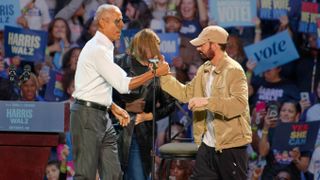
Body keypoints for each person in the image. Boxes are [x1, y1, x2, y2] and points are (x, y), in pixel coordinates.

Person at [71, 4, 169, 180]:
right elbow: (123, 85)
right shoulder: (97, 49)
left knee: (114, 174)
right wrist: (154, 73)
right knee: (85, 175)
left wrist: (113, 106)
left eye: (122, 21)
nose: (122, 25)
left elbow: (96, 86)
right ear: (102, 22)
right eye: (117, 22)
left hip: (103, 117)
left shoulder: (107, 48)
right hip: (87, 116)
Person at [157, 25, 252, 179]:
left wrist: (207, 102)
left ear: (214, 44)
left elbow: (238, 105)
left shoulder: (234, 70)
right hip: (206, 145)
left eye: (202, 44)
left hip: (231, 147)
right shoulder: (204, 70)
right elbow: (186, 93)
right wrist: (164, 76)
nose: (198, 48)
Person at [113, 28, 175, 180]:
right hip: (115, 128)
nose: (156, 49)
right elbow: (105, 93)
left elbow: (171, 104)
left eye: (157, 45)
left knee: (139, 174)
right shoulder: (119, 62)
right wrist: (125, 107)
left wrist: (148, 116)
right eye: (153, 45)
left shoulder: (158, 68)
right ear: (141, 45)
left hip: (142, 132)